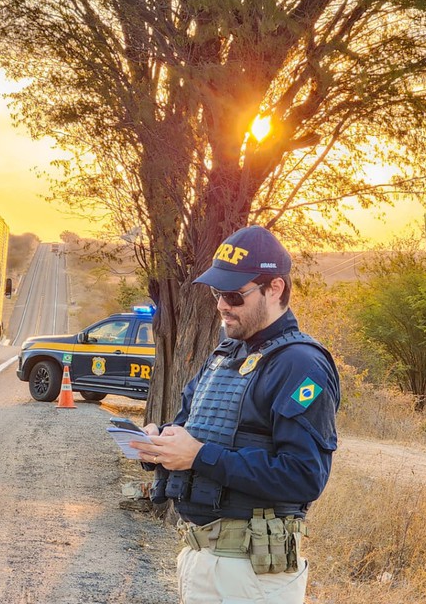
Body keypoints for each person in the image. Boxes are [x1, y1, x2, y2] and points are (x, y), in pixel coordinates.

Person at [131, 226, 339, 604]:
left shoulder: (300, 365)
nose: (222, 305)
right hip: (201, 558)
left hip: (253, 574)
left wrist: (199, 456)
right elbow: (190, 429)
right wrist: (159, 443)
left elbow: (305, 476)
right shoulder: (224, 355)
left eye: (233, 295)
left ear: (274, 289)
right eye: (217, 293)